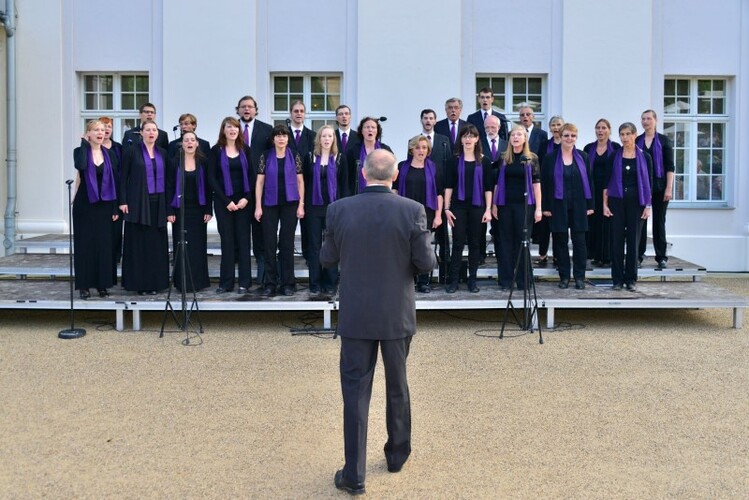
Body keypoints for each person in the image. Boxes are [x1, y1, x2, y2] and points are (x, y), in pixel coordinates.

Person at [319, 149, 436, 495]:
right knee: (398, 385)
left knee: (355, 392)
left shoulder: (339, 209)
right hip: (396, 312)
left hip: (356, 313)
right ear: (395, 175)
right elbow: (426, 263)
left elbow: (327, 258)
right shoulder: (412, 210)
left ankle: (354, 474)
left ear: (364, 173)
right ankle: (397, 455)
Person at [119, 120, 170, 295]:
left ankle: (155, 283)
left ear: (158, 133)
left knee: (156, 245)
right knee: (139, 244)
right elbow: (123, 178)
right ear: (141, 133)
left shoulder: (163, 153)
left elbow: (168, 180)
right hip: (137, 203)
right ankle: (139, 283)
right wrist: (123, 201)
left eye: (154, 130)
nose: (151, 133)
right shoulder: (131, 151)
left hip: (158, 204)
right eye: (147, 130)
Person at [541, 123, 593, 290]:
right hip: (557, 205)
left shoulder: (583, 156)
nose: (569, 139)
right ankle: (564, 276)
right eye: (566, 135)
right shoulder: (549, 158)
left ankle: (579, 277)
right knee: (560, 241)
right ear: (560, 137)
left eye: (573, 136)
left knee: (580, 242)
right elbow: (544, 184)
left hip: (579, 205)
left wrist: (590, 204)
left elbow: (589, 181)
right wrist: (545, 207)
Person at [443, 124, 494, 293]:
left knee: (475, 244)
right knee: (457, 243)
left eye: (471, 136)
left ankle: (472, 280)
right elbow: (448, 186)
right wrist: (446, 209)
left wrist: (488, 209)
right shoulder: (453, 161)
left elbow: (488, 188)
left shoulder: (484, 161)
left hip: (478, 207)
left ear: (477, 139)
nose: (468, 139)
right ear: (461, 139)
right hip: (458, 207)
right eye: (465, 136)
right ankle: (454, 280)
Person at [255, 125, 304, 296]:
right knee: (269, 244)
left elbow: (300, 182)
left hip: (290, 204)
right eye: (278, 136)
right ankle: (270, 283)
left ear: (288, 139)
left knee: (287, 244)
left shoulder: (295, 155)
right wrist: (258, 206)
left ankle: (288, 283)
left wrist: (301, 204)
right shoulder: (265, 156)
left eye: (284, 136)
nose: (281, 138)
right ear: (273, 139)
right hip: (269, 204)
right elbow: (259, 182)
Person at [603, 122, 652, 292]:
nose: (624, 138)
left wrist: (648, 206)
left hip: (637, 203)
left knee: (633, 241)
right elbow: (606, 183)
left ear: (635, 135)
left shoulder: (645, 157)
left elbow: (649, 183)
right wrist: (605, 204)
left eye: (628, 134)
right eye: (622, 134)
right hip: (616, 202)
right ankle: (617, 279)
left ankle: (631, 279)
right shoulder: (614, 156)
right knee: (616, 241)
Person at [491, 125, 542, 290]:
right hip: (505, 204)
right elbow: (497, 183)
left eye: (519, 134)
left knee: (522, 241)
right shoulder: (503, 157)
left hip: (524, 205)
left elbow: (536, 185)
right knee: (505, 242)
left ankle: (523, 280)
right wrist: (494, 205)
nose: (515, 137)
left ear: (525, 138)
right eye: (513, 135)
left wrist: (539, 208)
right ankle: (506, 280)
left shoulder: (531, 158)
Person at [73, 119, 119, 299]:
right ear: (88, 134)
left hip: (105, 204)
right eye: (96, 130)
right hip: (85, 204)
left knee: (103, 245)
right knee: (85, 245)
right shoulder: (79, 152)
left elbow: (115, 180)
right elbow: (81, 166)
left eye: (102, 130)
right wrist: (84, 145)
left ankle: (102, 284)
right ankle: (84, 286)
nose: (101, 133)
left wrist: (115, 207)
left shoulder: (110, 154)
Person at [208, 117, 253, 294]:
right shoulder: (215, 151)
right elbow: (211, 178)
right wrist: (226, 201)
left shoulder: (246, 149)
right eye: (229, 127)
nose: (233, 130)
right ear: (223, 130)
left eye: (235, 127)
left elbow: (252, 176)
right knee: (227, 242)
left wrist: (246, 199)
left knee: (243, 241)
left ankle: (244, 283)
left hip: (243, 202)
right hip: (223, 203)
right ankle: (226, 283)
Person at [303, 125, 348, 294]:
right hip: (313, 208)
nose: (327, 139)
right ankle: (314, 283)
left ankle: (330, 283)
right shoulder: (310, 157)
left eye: (330, 136)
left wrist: (343, 208)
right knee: (314, 246)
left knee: (331, 245)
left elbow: (344, 185)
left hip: (333, 208)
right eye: (323, 136)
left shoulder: (340, 158)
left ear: (334, 139)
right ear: (319, 139)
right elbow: (304, 183)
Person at [166, 131, 213, 292]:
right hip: (179, 210)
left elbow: (209, 188)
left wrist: (208, 209)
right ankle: (182, 283)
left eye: (193, 140)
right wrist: (169, 210)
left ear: (197, 143)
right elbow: (169, 187)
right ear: (182, 144)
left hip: (199, 210)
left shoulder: (204, 162)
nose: (190, 143)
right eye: (186, 140)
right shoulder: (174, 162)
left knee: (198, 246)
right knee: (181, 245)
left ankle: (198, 282)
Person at [397, 135, 443, 293]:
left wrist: (438, 215)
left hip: (426, 213)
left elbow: (439, 194)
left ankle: (424, 281)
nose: (421, 150)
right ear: (412, 150)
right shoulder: (402, 166)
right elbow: (394, 190)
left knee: (424, 247)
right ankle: (409, 280)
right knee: (405, 247)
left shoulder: (434, 168)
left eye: (424, 147)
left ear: (428, 150)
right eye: (417, 147)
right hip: (405, 212)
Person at [236, 95, 273, 287]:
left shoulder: (267, 130)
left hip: (261, 188)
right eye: (243, 107)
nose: (247, 109)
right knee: (240, 232)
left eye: (250, 106)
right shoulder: (231, 128)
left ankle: (262, 273)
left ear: (255, 110)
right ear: (238, 110)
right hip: (237, 189)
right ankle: (241, 273)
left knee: (261, 232)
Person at [637, 109, 674, 269]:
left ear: (655, 120)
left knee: (659, 221)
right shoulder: (637, 140)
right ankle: (638, 255)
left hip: (660, 187)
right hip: (642, 188)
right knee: (640, 222)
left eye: (649, 119)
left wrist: (669, 188)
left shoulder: (664, 141)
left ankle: (661, 257)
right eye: (643, 119)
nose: (646, 121)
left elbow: (670, 166)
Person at [583, 118, 621, 267]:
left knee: (608, 223)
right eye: (598, 128)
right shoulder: (588, 148)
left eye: (604, 128)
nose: (600, 130)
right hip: (592, 189)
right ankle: (594, 254)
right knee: (593, 222)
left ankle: (607, 256)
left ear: (609, 130)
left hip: (610, 189)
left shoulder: (616, 147)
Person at [419, 108, 451, 283]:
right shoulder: (415, 141)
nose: (428, 121)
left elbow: (448, 165)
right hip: (422, 192)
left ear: (435, 121)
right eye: (425, 118)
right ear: (421, 120)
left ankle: (445, 273)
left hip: (440, 191)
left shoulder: (444, 141)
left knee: (443, 235)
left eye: (431, 118)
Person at [535, 115, 563, 267]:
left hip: (562, 189)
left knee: (559, 224)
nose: (556, 127)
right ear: (550, 128)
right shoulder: (544, 145)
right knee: (544, 225)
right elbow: (538, 164)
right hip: (546, 187)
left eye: (559, 124)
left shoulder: (567, 144)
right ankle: (543, 253)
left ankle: (558, 254)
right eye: (553, 125)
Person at [100, 116, 123, 283]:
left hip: (116, 194)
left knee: (115, 233)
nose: (106, 129)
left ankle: (113, 265)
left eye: (109, 126)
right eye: (103, 127)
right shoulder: (91, 148)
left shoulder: (118, 148)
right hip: (99, 195)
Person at [346, 117, 393, 196]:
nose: (370, 130)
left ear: (377, 131)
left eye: (373, 127)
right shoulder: (353, 151)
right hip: (358, 194)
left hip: (381, 193)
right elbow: (347, 175)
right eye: (367, 127)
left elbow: (392, 170)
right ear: (361, 131)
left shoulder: (385, 149)